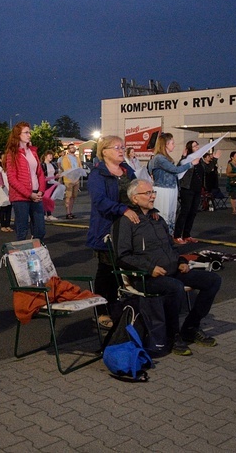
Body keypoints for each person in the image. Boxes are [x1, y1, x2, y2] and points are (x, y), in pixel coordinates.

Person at [117, 179, 221, 356]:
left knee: (212, 280)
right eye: (148, 193)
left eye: (153, 193)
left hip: (171, 271)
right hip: (145, 277)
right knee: (175, 287)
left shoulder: (158, 219)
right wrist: (150, 268)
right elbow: (123, 256)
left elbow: (171, 247)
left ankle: (191, 327)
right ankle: (172, 335)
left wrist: (181, 261)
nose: (152, 196)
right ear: (134, 198)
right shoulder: (127, 222)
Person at [85, 135, 137, 329]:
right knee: (106, 271)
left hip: (127, 228)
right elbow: (100, 201)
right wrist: (123, 209)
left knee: (120, 269)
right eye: (116, 147)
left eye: (122, 147)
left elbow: (135, 193)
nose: (121, 150)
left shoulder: (128, 171)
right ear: (104, 151)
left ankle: (117, 306)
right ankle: (101, 311)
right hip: (106, 228)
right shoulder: (98, 175)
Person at [147, 132, 197, 236]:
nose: (174, 145)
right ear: (166, 144)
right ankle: (161, 237)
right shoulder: (159, 158)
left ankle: (167, 237)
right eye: (172, 143)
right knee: (163, 214)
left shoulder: (164, 158)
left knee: (170, 214)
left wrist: (183, 159)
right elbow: (174, 169)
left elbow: (174, 170)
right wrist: (191, 164)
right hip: (163, 189)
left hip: (170, 189)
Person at [4, 122, 46, 241]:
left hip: (36, 193)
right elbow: (12, 179)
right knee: (22, 230)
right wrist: (29, 194)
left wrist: (41, 191)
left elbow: (40, 173)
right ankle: (21, 256)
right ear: (18, 135)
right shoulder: (12, 153)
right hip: (20, 197)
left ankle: (34, 251)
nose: (29, 135)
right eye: (26, 132)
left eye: (29, 132)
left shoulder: (32, 152)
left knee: (40, 229)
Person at [176, 140, 216, 243]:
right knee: (185, 212)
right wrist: (183, 157)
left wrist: (215, 159)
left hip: (197, 189)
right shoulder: (188, 159)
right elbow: (179, 168)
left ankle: (187, 234)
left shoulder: (200, 160)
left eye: (197, 145)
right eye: (194, 146)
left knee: (193, 212)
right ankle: (177, 235)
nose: (197, 147)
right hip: (187, 188)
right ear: (190, 148)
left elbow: (207, 170)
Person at [60, 143, 82, 219]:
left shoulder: (77, 158)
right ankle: (68, 213)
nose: (73, 148)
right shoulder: (65, 158)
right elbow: (66, 169)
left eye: (74, 147)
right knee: (68, 196)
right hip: (69, 180)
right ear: (68, 150)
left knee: (73, 196)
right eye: (72, 147)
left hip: (76, 179)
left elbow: (80, 166)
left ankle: (70, 212)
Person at [0, 153, 13, 232]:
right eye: (3, 158)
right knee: (3, 207)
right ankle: (2, 225)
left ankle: (8, 224)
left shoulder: (9, 167)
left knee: (9, 207)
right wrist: (2, 185)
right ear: (0, 159)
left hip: (10, 189)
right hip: (3, 190)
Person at [41, 150, 59, 221]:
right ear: (45, 156)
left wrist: (56, 175)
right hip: (45, 183)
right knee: (45, 198)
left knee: (51, 199)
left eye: (52, 155)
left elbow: (55, 173)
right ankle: (43, 214)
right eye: (49, 155)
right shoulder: (42, 165)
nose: (51, 156)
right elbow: (41, 175)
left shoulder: (53, 164)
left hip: (52, 183)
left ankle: (49, 214)